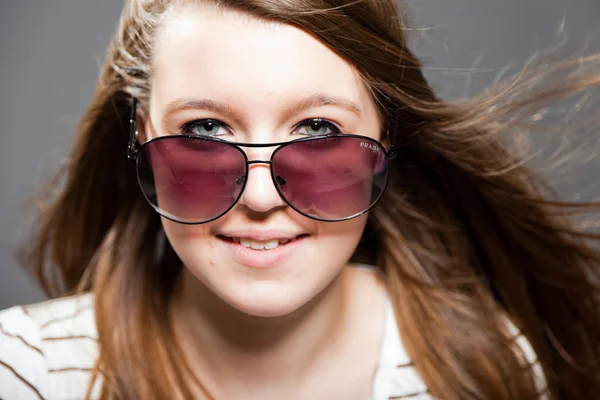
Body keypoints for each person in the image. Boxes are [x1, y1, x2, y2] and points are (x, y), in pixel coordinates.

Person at [1, 0, 599, 399]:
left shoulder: (486, 368)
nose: (260, 196)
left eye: (318, 130)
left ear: (385, 138)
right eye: (205, 129)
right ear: (141, 135)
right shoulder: (23, 375)